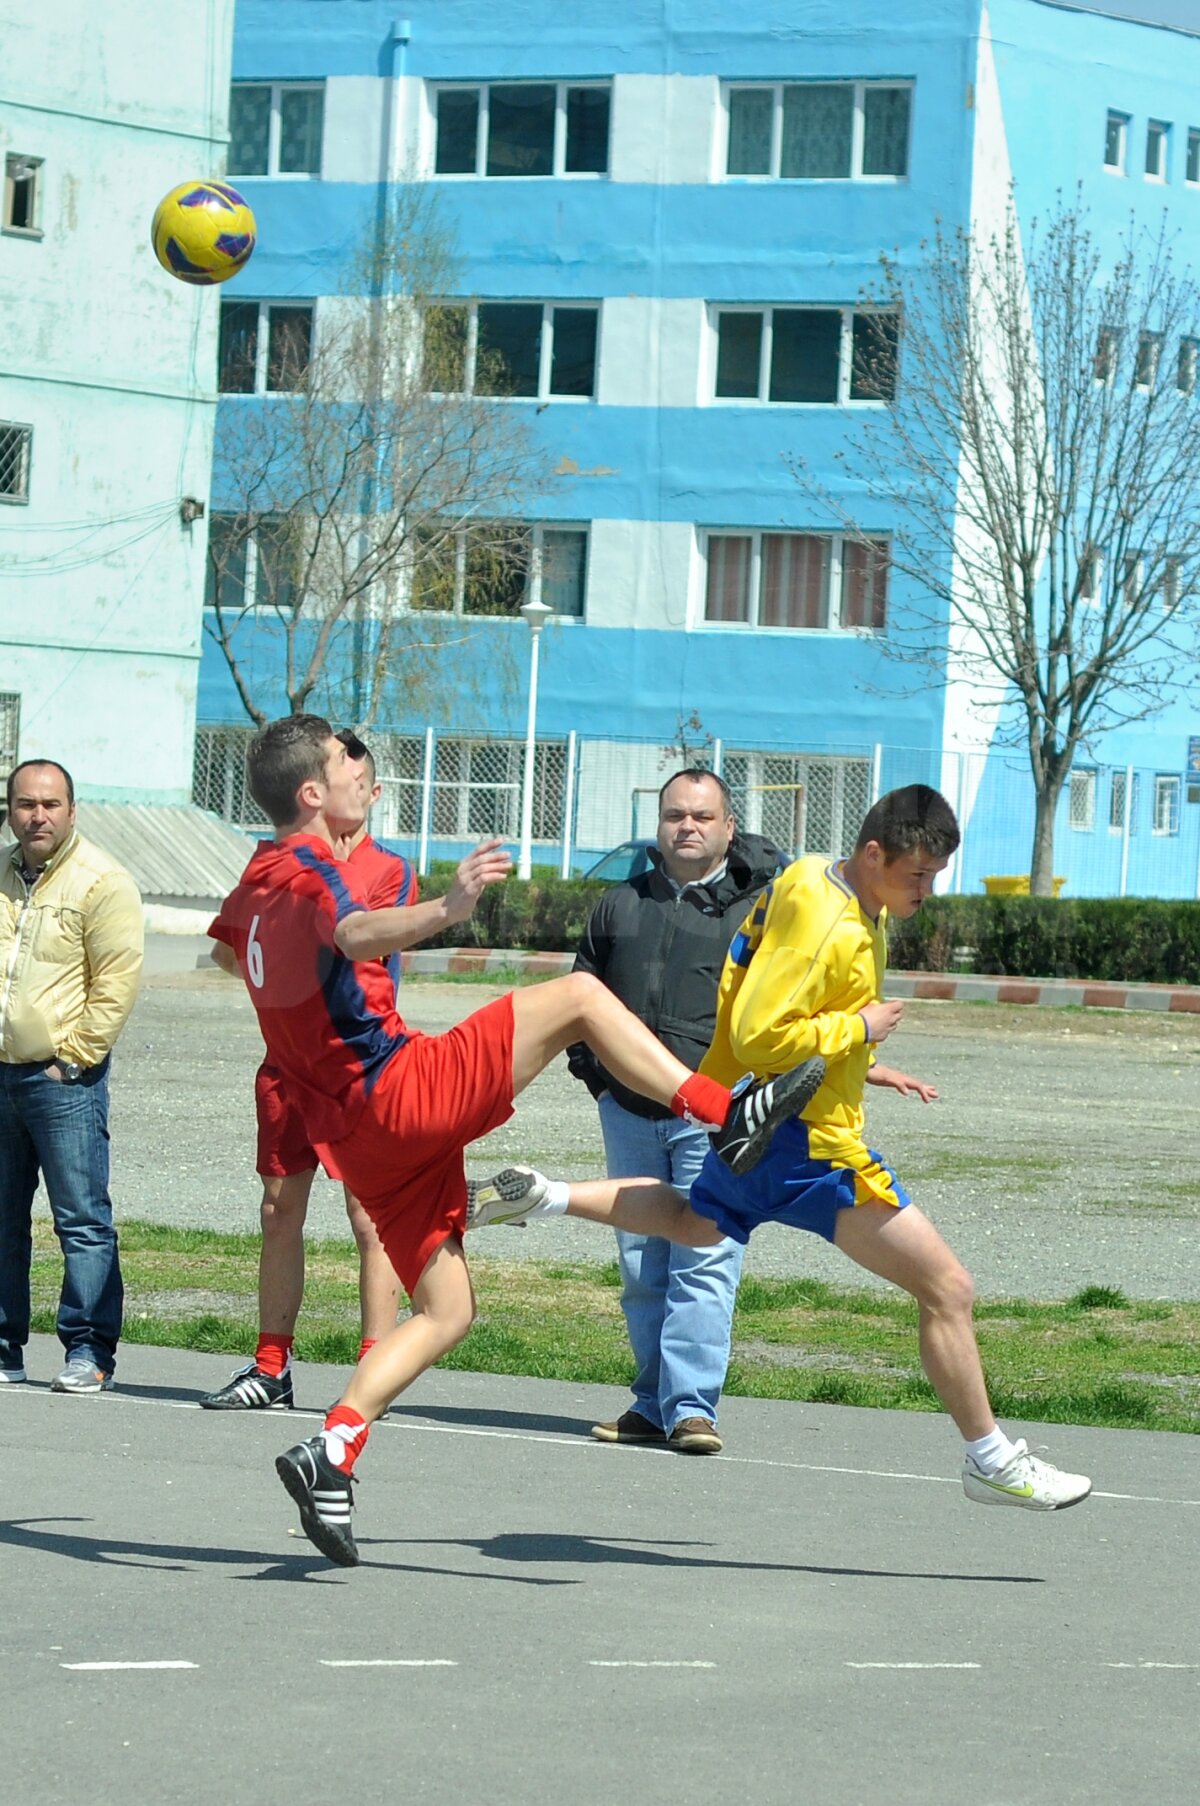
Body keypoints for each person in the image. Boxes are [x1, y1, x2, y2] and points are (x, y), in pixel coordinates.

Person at [209, 713, 824, 1566]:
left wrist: (301, 1003)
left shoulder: (255, 877)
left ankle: (334, 1450)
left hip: (357, 1136)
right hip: (396, 1092)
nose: (364, 779)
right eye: (350, 767)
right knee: (578, 998)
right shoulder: (312, 866)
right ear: (312, 792)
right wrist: (449, 906)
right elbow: (352, 932)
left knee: (449, 1310)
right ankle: (727, 1112)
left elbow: (232, 956)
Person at [495, 784, 1091, 1520]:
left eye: (934, 877)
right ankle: (992, 1461)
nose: (926, 891)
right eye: (916, 875)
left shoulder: (814, 875)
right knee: (948, 1289)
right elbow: (760, 1032)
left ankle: (547, 1194)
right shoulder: (828, 918)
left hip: (761, 1119)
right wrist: (859, 1032)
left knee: (693, 1224)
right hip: (809, 1142)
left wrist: (862, 1063)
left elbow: (777, 998)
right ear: (873, 853)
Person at [568, 768, 782, 1455]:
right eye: (674, 816)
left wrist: (748, 1099)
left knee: (705, 1256)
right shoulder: (619, 905)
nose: (686, 826)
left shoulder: (760, 911)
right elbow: (578, 1000)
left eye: (701, 816)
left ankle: (691, 1409)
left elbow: (784, 1008)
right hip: (629, 1113)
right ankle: (652, 1403)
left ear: (728, 827)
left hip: (714, 1116)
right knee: (641, 1263)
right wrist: (600, 1083)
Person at [201, 731, 409, 1410]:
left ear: (372, 793)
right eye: (338, 776)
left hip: (351, 1072)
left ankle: (375, 1369)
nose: (350, 789)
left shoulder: (384, 871)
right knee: (278, 1209)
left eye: (359, 781)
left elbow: (358, 943)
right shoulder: (281, 861)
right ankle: (271, 1367)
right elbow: (229, 949)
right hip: (287, 1072)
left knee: (369, 1216)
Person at [0, 758, 144, 1393]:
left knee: (81, 1219)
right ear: (10, 811)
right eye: (26, 804)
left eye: (50, 804)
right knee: (3, 1219)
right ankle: (4, 1347)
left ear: (72, 810)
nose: (38, 816)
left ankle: (89, 1350)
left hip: (63, 1082)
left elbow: (116, 983)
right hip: (0, 1076)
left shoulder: (102, 882)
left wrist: (74, 1058)